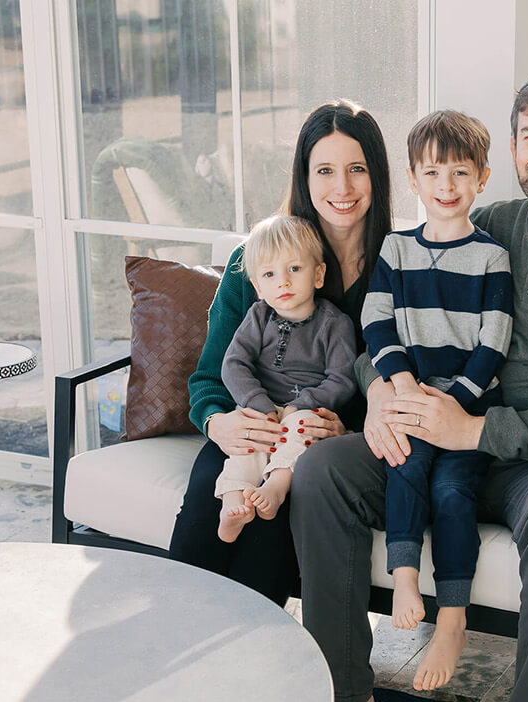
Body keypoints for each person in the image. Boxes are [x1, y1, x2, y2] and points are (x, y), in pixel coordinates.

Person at [291, 66, 528, 701]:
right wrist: (383, 393)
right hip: (452, 437)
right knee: (322, 471)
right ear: (512, 152)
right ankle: (343, 690)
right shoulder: (488, 224)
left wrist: (475, 428)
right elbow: (393, 326)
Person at [168, 99, 395, 606]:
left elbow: (389, 381)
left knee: (271, 531)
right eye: (325, 170)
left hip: (317, 450)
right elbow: (210, 376)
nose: (342, 187)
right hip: (246, 431)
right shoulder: (258, 259)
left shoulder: (399, 268)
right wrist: (216, 423)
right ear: (304, 175)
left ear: (376, 175)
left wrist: (347, 430)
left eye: (356, 169)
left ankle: (254, 673)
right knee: (206, 517)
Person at [360, 110, 512, 691]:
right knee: (406, 465)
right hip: (409, 397)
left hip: (471, 409)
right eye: (433, 173)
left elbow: (494, 338)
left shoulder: (491, 256)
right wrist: (400, 386)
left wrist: (464, 403)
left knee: (451, 490)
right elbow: (377, 327)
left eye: (459, 173)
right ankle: (403, 578)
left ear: (482, 178)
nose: (445, 187)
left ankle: (452, 614)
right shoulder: (395, 251)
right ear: (414, 180)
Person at [215, 215, 359, 542]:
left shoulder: (334, 323)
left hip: (304, 410)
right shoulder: (258, 317)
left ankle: (277, 485)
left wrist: (300, 406)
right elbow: (233, 364)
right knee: (247, 441)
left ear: (318, 274)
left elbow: (342, 378)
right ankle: (233, 502)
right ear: (258, 286)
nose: (283, 282)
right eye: (269, 274)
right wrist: (259, 406)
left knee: (302, 430)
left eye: (294, 269)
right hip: (263, 409)